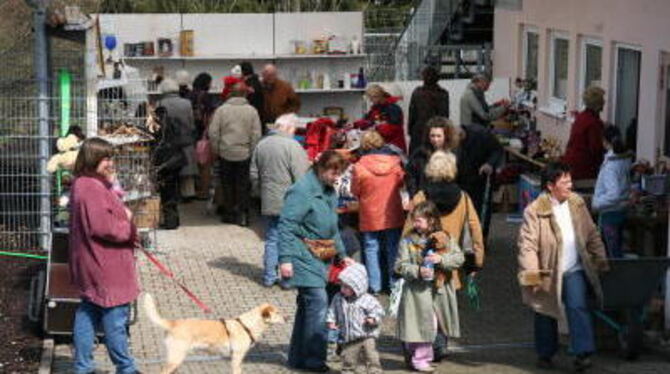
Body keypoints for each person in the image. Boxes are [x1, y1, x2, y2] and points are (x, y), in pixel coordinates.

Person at [518, 162, 609, 372]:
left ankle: (583, 353)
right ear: (550, 186)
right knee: (544, 311)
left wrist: (600, 257)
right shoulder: (534, 210)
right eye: (564, 181)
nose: (570, 184)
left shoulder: (577, 203)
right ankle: (545, 353)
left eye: (570, 180)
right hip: (547, 270)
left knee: (578, 306)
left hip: (574, 267)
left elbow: (592, 232)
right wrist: (532, 274)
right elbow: (527, 245)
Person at [69, 138, 140, 374]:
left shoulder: (84, 183)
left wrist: (109, 185)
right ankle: (126, 368)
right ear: (93, 160)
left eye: (111, 157)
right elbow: (103, 227)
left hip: (91, 262)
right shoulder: (91, 188)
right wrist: (128, 225)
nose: (111, 163)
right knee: (115, 319)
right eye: (106, 158)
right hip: (106, 265)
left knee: (88, 310)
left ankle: (83, 367)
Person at [278, 150, 354, 372]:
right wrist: (285, 259)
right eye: (333, 172)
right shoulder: (301, 191)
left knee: (307, 307)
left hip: (322, 254)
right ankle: (314, 360)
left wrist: (343, 255)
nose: (336, 177)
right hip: (302, 254)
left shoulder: (329, 191)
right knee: (318, 303)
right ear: (320, 168)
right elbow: (286, 226)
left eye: (339, 173)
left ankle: (297, 358)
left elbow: (333, 228)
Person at [406, 150, 485, 361]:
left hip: (424, 262)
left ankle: (423, 346)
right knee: (444, 306)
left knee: (422, 306)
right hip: (451, 265)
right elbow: (475, 230)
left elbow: (408, 231)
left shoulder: (421, 197)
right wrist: (476, 262)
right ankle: (440, 346)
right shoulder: (464, 198)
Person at [395, 201, 465, 372]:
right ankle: (419, 358)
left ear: (432, 220)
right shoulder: (408, 241)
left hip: (439, 291)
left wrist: (442, 260)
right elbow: (399, 265)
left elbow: (459, 258)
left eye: (419, 220)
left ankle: (419, 355)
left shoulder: (445, 238)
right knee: (423, 324)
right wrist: (418, 270)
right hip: (417, 292)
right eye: (414, 220)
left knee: (433, 325)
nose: (415, 224)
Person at [250, 113, 310, 287]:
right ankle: (287, 279)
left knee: (271, 238)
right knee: (289, 239)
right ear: (289, 127)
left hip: (268, 199)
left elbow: (253, 174)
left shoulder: (261, 145)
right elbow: (301, 176)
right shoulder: (293, 146)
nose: (295, 132)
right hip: (290, 201)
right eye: (295, 128)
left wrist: (261, 192)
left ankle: (269, 276)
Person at [351, 130, 405, 294]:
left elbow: (354, 190)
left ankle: (375, 285)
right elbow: (402, 183)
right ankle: (394, 284)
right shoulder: (395, 163)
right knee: (393, 247)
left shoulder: (359, 166)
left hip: (370, 212)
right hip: (392, 210)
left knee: (370, 248)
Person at [209, 81, 262, 226]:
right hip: (244, 153)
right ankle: (243, 215)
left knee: (227, 184)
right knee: (243, 185)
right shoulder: (252, 111)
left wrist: (217, 149)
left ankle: (229, 214)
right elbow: (256, 134)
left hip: (225, 151)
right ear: (245, 94)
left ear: (231, 93)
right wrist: (252, 151)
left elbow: (213, 132)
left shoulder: (222, 110)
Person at [326, 263, 384, 374]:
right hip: (349, 335)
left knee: (371, 355)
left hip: (367, 334)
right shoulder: (338, 298)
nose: (342, 289)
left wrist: (372, 318)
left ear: (357, 286)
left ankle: (375, 370)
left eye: (346, 287)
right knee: (349, 356)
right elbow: (332, 310)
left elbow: (378, 310)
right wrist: (331, 321)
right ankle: (348, 370)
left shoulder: (367, 299)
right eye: (342, 285)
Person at [452, 121, 503, 239]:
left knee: (481, 210)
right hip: (461, 178)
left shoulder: (481, 133)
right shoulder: (451, 142)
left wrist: (489, 164)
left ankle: (480, 239)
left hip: (482, 177)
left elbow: (498, 150)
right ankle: (464, 240)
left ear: (460, 134)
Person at [592, 126, 632, 258]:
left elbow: (613, 194)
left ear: (604, 141)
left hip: (609, 213)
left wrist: (597, 203)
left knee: (611, 254)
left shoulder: (610, 165)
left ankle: (615, 278)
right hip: (621, 211)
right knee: (617, 251)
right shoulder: (624, 159)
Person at [158, 78, 197, 202]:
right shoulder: (187, 103)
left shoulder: (160, 104)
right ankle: (188, 194)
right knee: (187, 167)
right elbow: (192, 123)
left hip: (169, 141)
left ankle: (172, 196)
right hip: (186, 139)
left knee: (171, 170)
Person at [406, 117, 460, 197]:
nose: (435, 140)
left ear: (446, 136)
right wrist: (413, 195)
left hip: (448, 198)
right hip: (424, 197)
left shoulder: (455, 153)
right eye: (432, 136)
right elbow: (411, 177)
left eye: (439, 136)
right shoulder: (420, 154)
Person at [562, 86, 606, 180]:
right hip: (583, 169)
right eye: (602, 100)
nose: (604, 102)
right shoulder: (593, 123)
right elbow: (596, 150)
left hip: (570, 164)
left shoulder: (581, 117)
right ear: (597, 104)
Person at [187, 72, 217, 200]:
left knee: (193, 161)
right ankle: (204, 191)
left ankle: (194, 189)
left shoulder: (189, 95)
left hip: (190, 132)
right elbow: (210, 115)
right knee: (204, 162)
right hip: (203, 133)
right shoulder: (206, 97)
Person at [408, 66, 450, 153]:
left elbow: (412, 113)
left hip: (419, 130)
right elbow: (444, 114)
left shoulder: (417, 92)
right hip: (435, 129)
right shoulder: (442, 93)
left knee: (417, 156)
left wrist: (410, 129)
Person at [361, 84, 407, 152]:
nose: (370, 101)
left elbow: (394, 128)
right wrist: (357, 124)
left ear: (378, 96)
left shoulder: (393, 108)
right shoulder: (375, 108)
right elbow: (367, 121)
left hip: (394, 145)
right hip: (381, 144)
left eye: (371, 98)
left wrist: (376, 127)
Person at [240, 61, 266, 131]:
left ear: (242, 72)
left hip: (252, 119)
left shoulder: (249, 83)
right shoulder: (257, 81)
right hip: (259, 117)